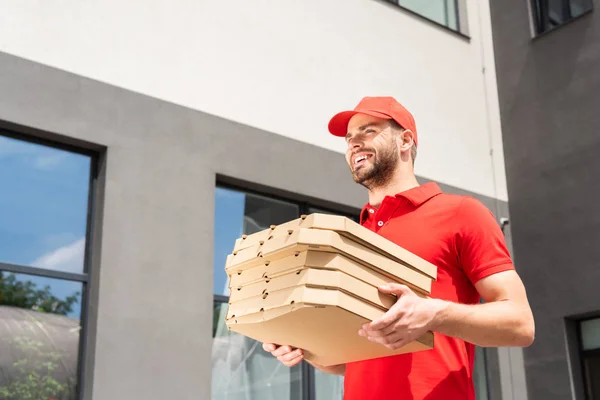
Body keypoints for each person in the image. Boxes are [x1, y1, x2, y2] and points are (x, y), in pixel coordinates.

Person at [262, 96, 535, 400]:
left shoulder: (460, 213)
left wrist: (434, 313)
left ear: (405, 141)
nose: (353, 143)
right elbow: (351, 360)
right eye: (349, 138)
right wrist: (304, 346)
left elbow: (521, 324)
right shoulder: (355, 237)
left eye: (367, 131)